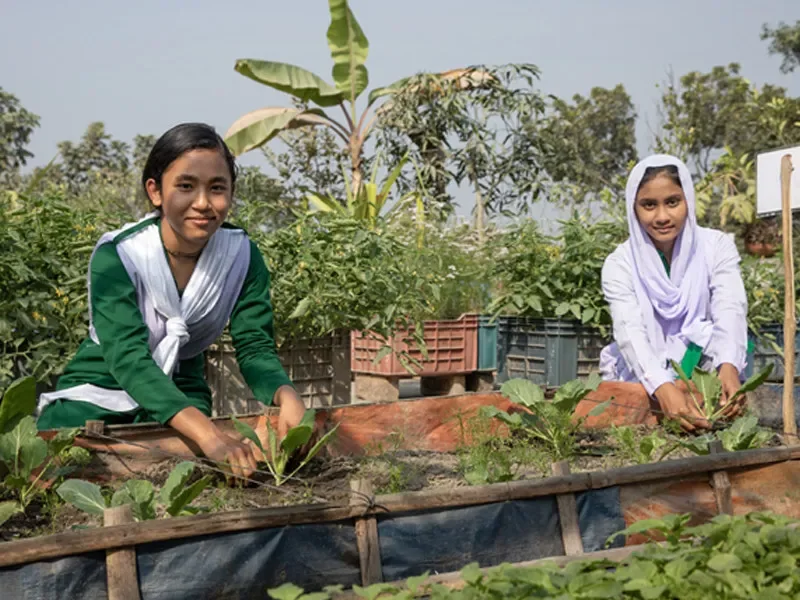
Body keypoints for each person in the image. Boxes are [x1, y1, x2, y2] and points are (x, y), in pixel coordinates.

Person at [36, 123, 306, 477]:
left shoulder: (241, 256)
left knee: (194, 477)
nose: (203, 203)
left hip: (182, 391)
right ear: (156, 191)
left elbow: (255, 347)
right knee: (61, 467)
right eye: (185, 186)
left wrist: (287, 396)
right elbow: (129, 360)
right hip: (101, 386)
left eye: (217, 188)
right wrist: (210, 436)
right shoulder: (121, 255)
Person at [599, 154, 749, 430]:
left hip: (706, 363)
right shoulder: (620, 264)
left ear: (687, 200)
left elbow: (730, 307)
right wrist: (664, 388)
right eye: (648, 205)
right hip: (644, 371)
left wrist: (729, 364)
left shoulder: (716, 247)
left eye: (672, 202)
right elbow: (630, 332)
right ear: (634, 209)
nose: (662, 217)